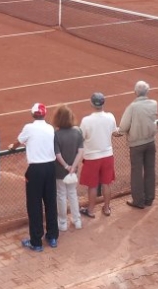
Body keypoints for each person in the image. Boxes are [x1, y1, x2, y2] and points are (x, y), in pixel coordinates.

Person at [10, 103, 60, 251]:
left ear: (33, 115)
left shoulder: (29, 128)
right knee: (51, 202)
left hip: (36, 170)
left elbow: (18, 142)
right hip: (50, 168)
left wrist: (12, 147)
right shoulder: (50, 128)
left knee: (34, 205)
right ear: (44, 114)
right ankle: (52, 237)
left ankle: (36, 242)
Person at [115, 80, 158, 208]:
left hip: (136, 144)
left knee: (136, 172)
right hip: (151, 141)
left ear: (135, 92)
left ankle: (138, 201)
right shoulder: (154, 104)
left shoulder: (132, 107)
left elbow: (123, 126)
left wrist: (119, 132)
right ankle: (149, 198)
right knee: (150, 169)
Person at [79, 92, 117, 218]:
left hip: (91, 157)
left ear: (91, 103)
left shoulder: (86, 121)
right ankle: (106, 208)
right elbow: (115, 132)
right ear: (103, 103)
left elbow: (81, 138)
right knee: (106, 183)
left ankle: (90, 210)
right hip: (107, 156)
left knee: (92, 185)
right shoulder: (110, 117)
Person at [52, 104, 84, 232]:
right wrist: (73, 167)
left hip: (60, 171)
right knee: (72, 194)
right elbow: (80, 151)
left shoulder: (56, 135)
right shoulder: (77, 132)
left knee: (61, 195)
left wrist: (66, 166)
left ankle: (63, 222)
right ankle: (77, 221)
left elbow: (57, 154)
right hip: (73, 171)